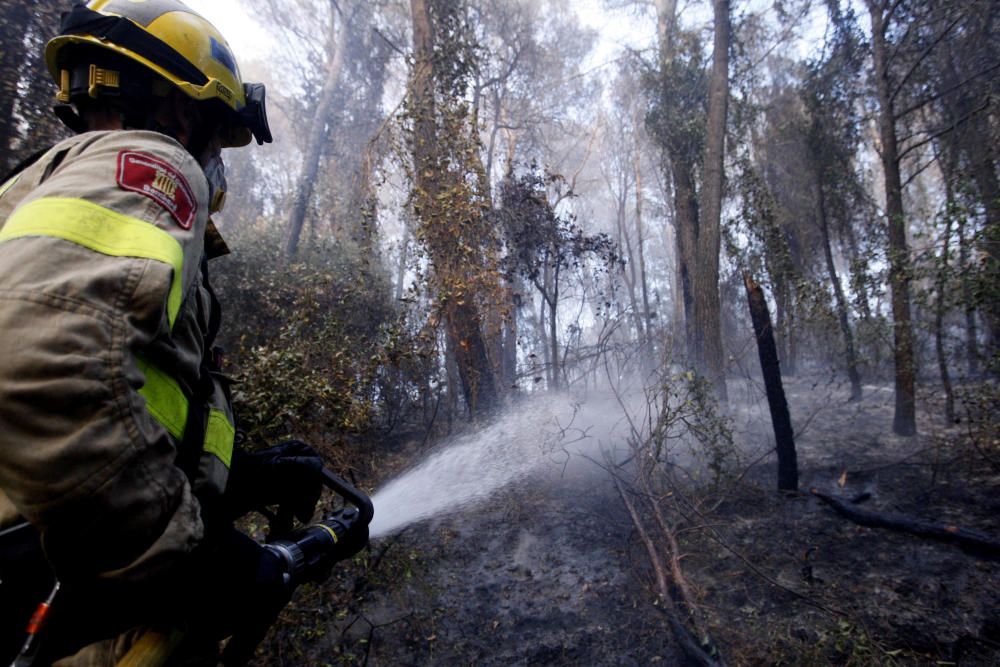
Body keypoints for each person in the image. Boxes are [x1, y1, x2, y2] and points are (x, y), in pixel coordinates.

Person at [0, 1, 367, 664]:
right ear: (175, 112)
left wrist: (244, 477)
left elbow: (125, 400)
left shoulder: (44, 193)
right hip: (56, 613)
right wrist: (190, 561)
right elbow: (32, 365)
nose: (215, 164)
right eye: (218, 136)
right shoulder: (147, 166)